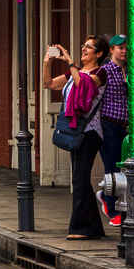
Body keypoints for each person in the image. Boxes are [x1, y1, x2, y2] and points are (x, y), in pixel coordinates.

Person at [44, 35, 110, 240]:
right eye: (83, 45)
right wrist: (48, 63)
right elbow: (49, 84)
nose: (84, 49)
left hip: (90, 133)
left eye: (88, 47)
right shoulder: (75, 72)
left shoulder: (101, 72)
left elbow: (84, 86)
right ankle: (93, 228)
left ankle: (81, 228)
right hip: (76, 130)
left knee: (80, 179)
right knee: (80, 179)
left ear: (98, 54)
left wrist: (71, 62)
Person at [96, 34, 130, 226]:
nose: (124, 51)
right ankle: (111, 207)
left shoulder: (130, 70)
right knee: (112, 167)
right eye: (120, 48)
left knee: (126, 168)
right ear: (111, 50)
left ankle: (109, 197)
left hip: (126, 126)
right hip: (108, 124)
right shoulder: (106, 70)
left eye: (126, 48)